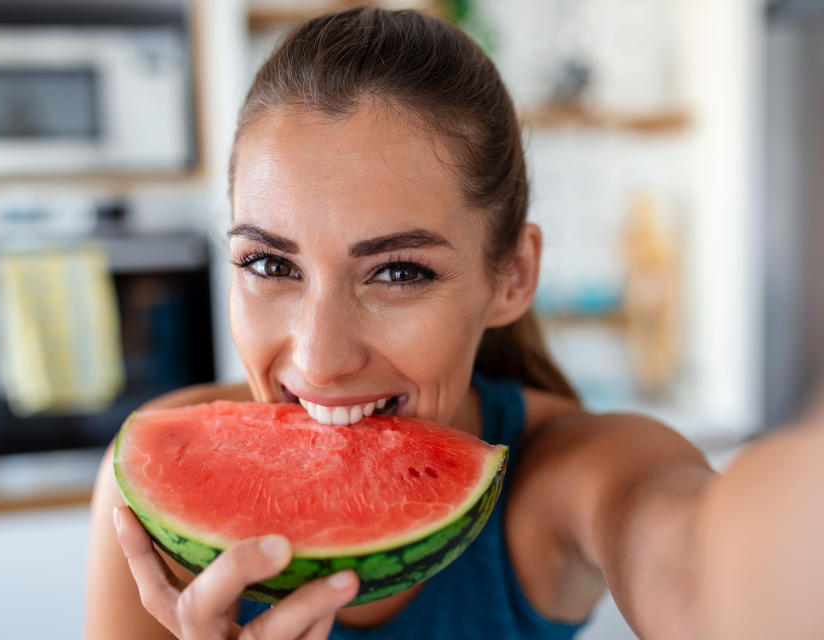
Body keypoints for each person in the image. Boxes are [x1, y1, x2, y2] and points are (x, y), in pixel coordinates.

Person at [85, 8, 824, 639]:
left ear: (513, 276)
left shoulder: (564, 477)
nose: (320, 357)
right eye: (270, 265)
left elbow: (694, 560)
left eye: (399, 272)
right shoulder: (153, 482)